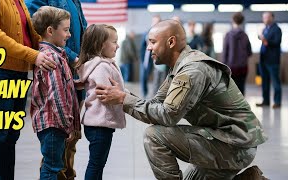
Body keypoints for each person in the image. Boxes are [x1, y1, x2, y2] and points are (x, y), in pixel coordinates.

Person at [95, 20, 268, 180]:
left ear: (171, 42)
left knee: (154, 135)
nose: (148, 48)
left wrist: (124, 99)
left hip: (234, 145)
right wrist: (123, 95)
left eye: (153, 42)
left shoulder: (192, 71)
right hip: (226, 139)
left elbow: (167, 116)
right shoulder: (180, 67)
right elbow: (156, 106)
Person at [0, 0, 56, 179]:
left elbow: (27, 32)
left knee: (10, 136)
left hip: (17, 71)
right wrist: (34, 55)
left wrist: (49, 50)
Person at [26, 0, 87, 178]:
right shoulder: (52, 57)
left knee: (61, 159)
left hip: (57, 122)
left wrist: (75, 83)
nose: (68, 34)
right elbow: (56, 96)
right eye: (66, 30)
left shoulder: (58, 53)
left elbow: (60, 85)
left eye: (69, 30)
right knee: (53, 165)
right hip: (54, 124)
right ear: (50, 31)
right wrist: (66, 125)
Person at [76, 24, 126, 180]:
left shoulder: (99, 64)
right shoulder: (102, 67)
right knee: (96, 165)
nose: (117, 45)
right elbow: (108, 95)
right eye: (114, 42)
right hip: (100, 125)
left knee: (97, 164)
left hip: (98, 124)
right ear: (100, 44)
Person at [256, 12, 282, 108]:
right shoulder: (265, 29)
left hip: (273, 60)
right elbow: (263, 40)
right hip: (263, 60)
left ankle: (277, 102)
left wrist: (264, 40)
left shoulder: (277, 29)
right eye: (264, 17)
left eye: (267, 17)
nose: (265, 19)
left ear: (272, 18)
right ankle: (265, 101)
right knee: (264, 81)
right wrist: (261, 37)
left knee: (275, 82)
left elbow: (276, 42)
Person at [222, 12, 252, 95]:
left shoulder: (228, 35)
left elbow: (225, 52)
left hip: (231, 67)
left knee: (231, 89)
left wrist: (223, 67)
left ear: (233, 21)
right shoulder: (245, 35)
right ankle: (242, 106)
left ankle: (232, 107)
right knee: (241, 87)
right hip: (243, 66)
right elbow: (249, 52)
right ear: (242, 21)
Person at [140, 15, 160, 98]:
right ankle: (144, 94)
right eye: (154, 21)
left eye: (158, 22)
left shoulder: (161, 33)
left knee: (156, 76)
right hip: (146, 57)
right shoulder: (146, 33)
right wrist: (141, 58)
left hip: (157, 56)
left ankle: (156, 95)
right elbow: (142, 47)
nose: (156, 23)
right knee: (144, 76)